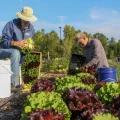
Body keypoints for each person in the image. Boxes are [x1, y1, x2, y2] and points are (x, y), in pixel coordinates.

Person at [0, 6, 37, 89]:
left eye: (28, 19)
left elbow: (30, 43)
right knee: (16, 52)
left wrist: (30, 46)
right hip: (4, 51)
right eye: (25, 19)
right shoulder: (11, 24)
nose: (27, 21)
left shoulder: (31, 28)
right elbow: (3, 42)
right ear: (21, 18)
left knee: (20, 54)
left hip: (19, 56)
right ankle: (12, 84)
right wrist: (15, 43)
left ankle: (18, 81)